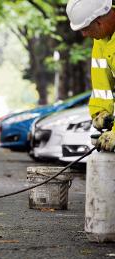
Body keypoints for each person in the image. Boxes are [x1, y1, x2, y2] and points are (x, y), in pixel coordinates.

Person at [66, 0, 115, 151]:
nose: (84, 34)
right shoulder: (101, 41)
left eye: (85, 29)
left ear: (99, 22)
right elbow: (101, 82)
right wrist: (100, 112)